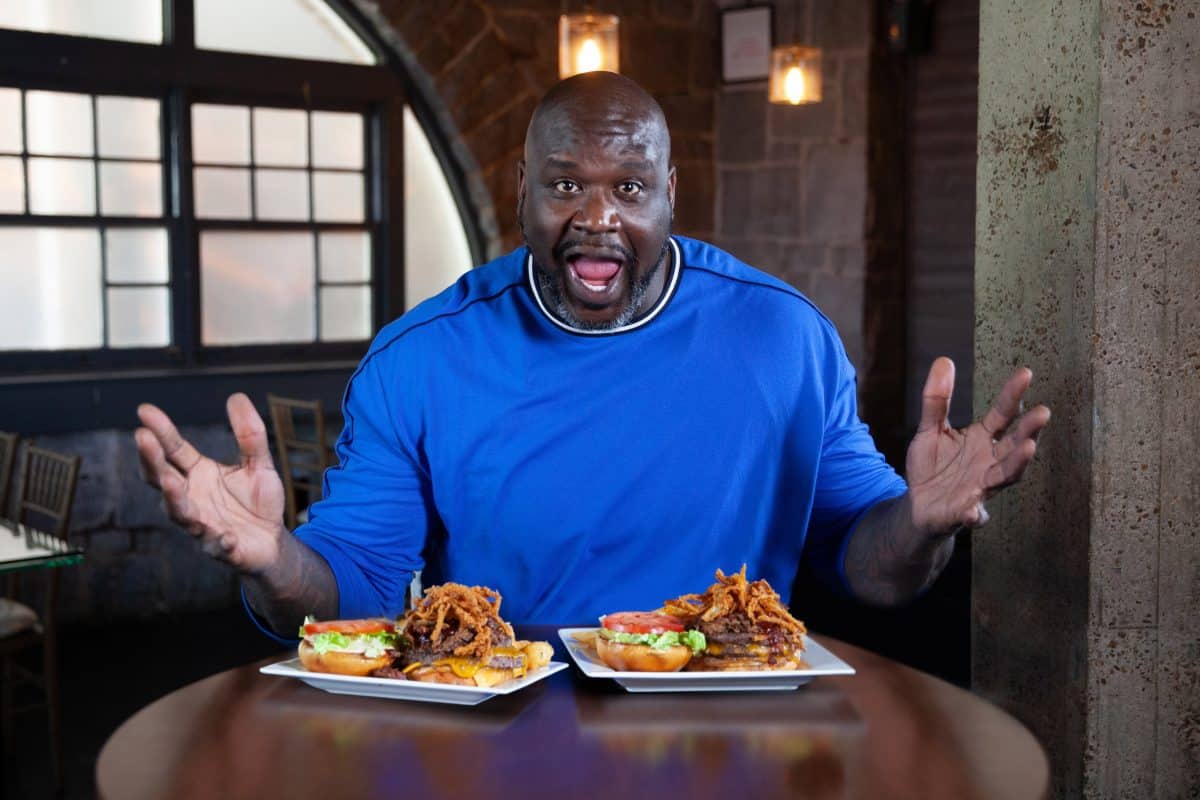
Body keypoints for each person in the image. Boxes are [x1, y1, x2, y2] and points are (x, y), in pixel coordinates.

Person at [135, 72, 1050, 639]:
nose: (598, 215)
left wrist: (921, 524)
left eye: (630, 187)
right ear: (522, 190)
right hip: (501, 717)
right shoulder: (420, 359)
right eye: (566, 184)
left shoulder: (785, 339)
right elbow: (357, 590)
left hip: (732, 720)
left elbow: (871, 568)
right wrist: (271, 555)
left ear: (670, 195)